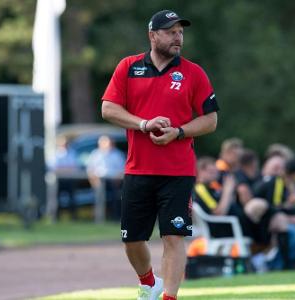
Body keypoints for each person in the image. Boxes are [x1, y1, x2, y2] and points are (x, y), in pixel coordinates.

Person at [101, 9, 219, 300]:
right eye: (170, 31)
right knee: (132, 240)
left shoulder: (193, 72)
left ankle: (168, 297)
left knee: (174, 237)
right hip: (138, 170)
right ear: (152, 35)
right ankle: (149, 282)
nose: (178, 37)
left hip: (177, 171)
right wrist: (144, 124)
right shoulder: (128, 67)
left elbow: (210, 120)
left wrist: (178, 132)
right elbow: (108, 109)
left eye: (180, 31)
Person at [86, 135, 125, 220]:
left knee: (116, 197)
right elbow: (90, 170)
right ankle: (99, 218)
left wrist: (118, 180)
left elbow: (122, 170)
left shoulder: (118, 154)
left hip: (114, 181)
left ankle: (115, 217)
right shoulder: (95, 154)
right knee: (99, 195)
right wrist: (93, 181)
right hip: (99, 180)